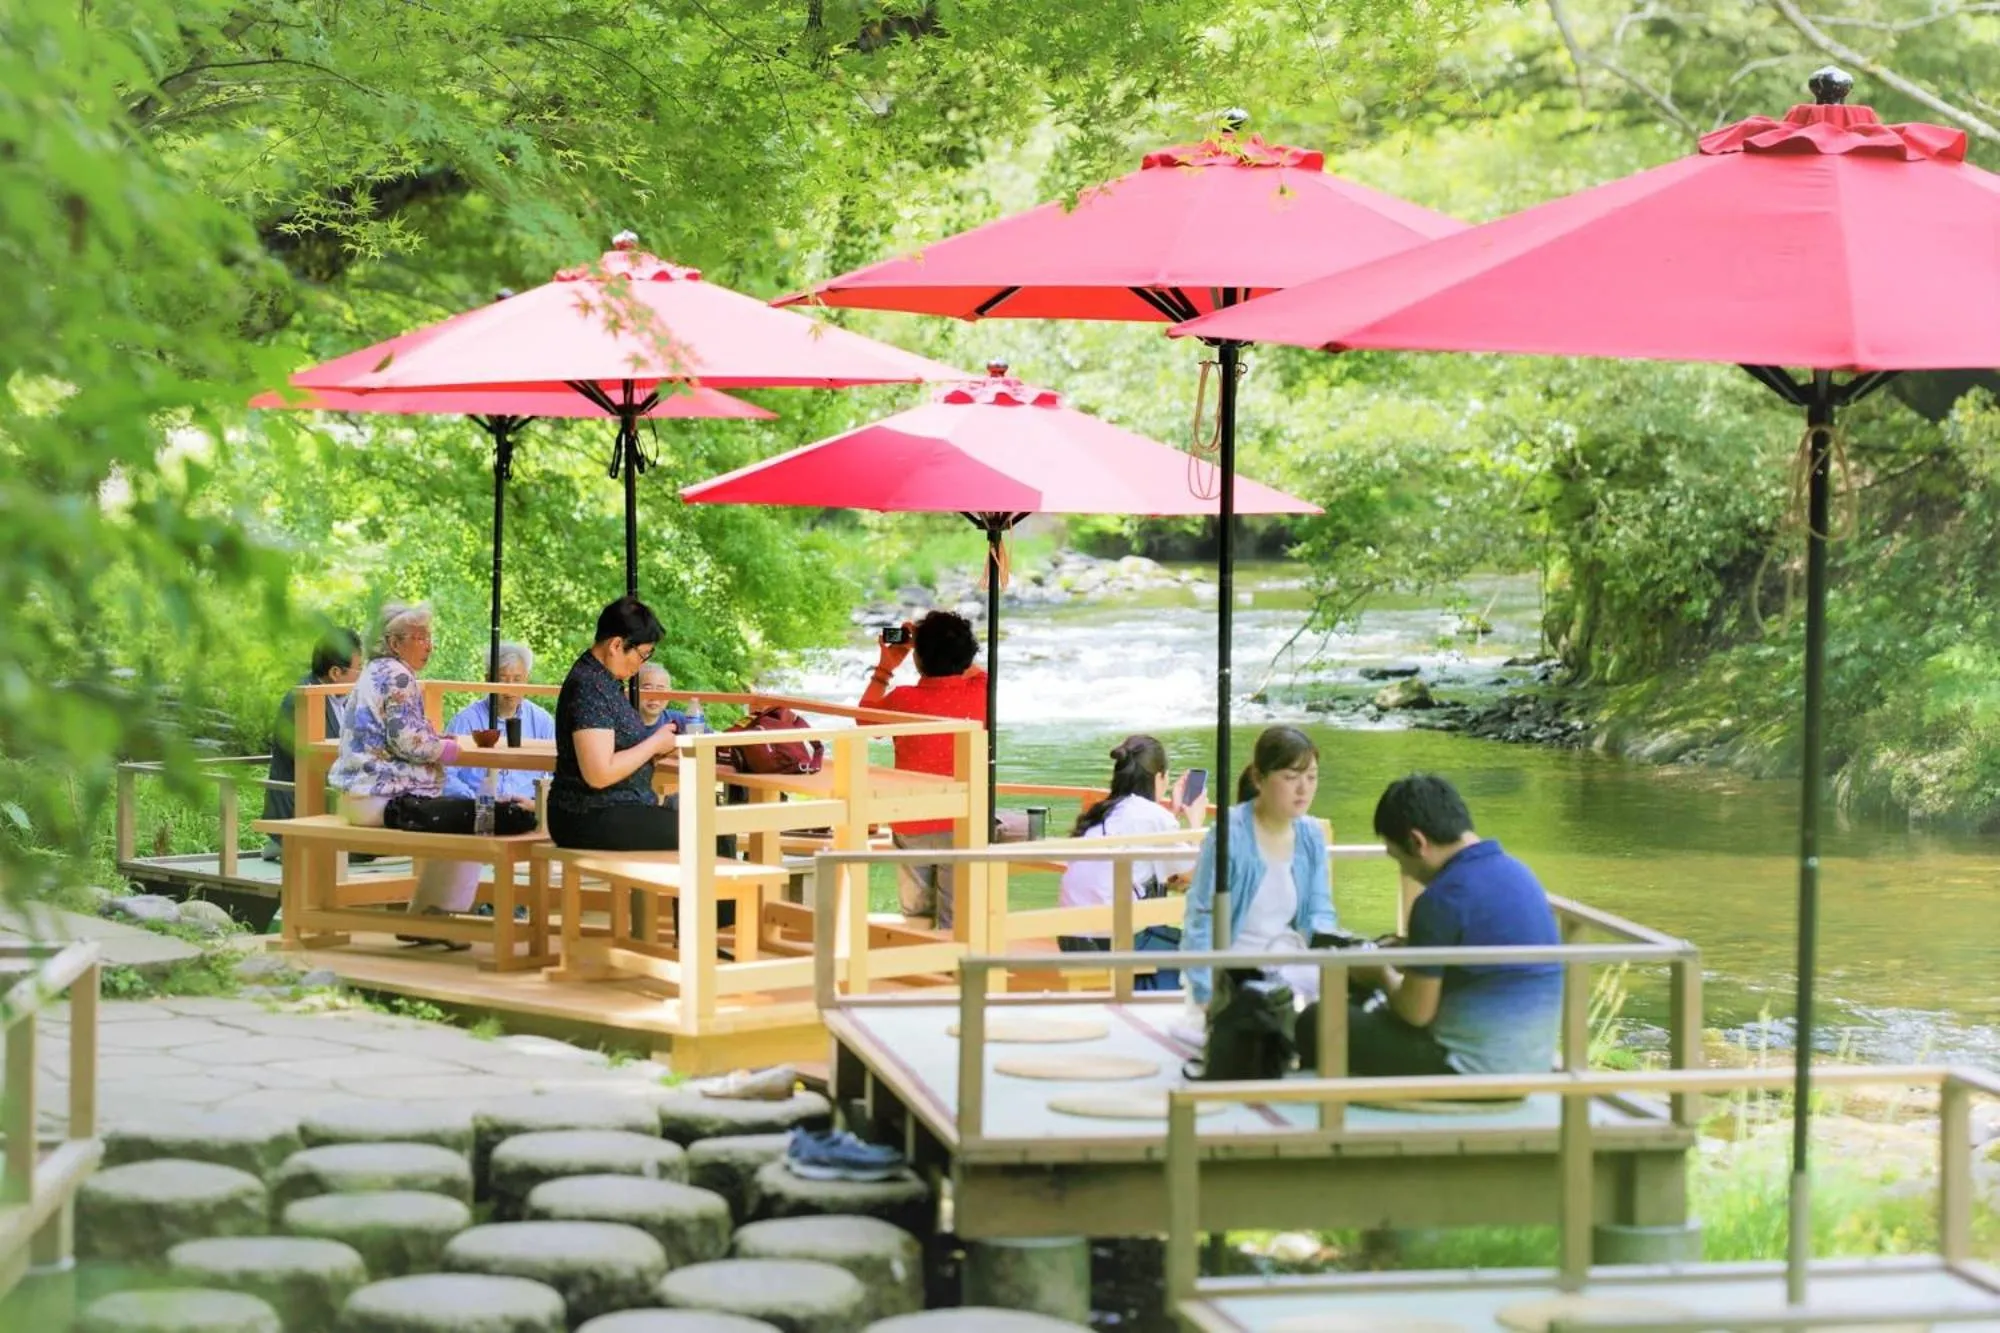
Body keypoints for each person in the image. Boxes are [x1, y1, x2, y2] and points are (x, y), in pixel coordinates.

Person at [1305, 773, 1562, 1077]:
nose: (1406, 872)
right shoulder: (1519, 873)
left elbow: (1416, 1013)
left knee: (1314, 1020)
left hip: (1465, 1069)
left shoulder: (1440, 900)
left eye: (1399, 859)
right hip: (1531, 1063)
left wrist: (1380, 974)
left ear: (1417, 842)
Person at [325, 601, 480, 947]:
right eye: (421, 637)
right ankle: (434, 916)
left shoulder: (373, 672)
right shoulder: (398, 676)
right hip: (379, 796)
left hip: (356, 795)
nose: (429, 645)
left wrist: (436, 740)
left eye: (429, 637)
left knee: (455, 814)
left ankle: (427, 915)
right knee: (471, 817)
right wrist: (449, 750)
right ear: (395, 643)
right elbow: (408, 741)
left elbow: (394, 734)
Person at [1180, 725, 1335, 1010]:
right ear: (1259, 778)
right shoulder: (1230, 833)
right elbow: (1201, 915)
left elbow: (1319, 911)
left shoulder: (1311, 835)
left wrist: (1331, 963)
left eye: (1311, 777)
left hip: (1290, 963)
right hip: (1237, 966)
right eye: (1291, 777)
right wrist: (1206, 993)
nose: (1304, 789)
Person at [858, 610, 988, 931]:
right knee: (955, 921)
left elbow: (865, 722)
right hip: (963, 821)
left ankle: (920, 967)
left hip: (911, 821)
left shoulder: (903, 699)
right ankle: (954, 973)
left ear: (917, 659)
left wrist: (886, 666)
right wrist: (936, 646)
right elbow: (972, 667)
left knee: (916, 916)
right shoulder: (982, 691)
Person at [1057, 735, 1207, 989]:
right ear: (1159, 778)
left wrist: (1171, 813)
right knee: (1201, 946)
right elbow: (1196, 875)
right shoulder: (1152, 817)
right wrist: (1194, 820)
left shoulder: (1104, 810)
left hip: (1073, 938)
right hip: (1114, 941)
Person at [547, 596, 685, 850]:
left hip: (614, 807)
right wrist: (654, 743)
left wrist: (658, 747)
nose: (641, 663)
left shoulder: (604, 681)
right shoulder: (590, 687)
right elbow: (599, 774)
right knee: (710, 833)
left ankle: (682, 891)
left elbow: (619, 749)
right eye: (642, 654)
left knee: (710, 823)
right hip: (590, 814)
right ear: (616, 645)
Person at [260, 626, 362, 862]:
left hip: (331, 796)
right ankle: (283, 842)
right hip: (300, 806)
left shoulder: (343, 698)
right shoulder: (303, 700)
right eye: (360, 668)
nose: (362, 676)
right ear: (336, 672)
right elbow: (321, 763)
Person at [443, 640, 555, 802]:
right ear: (488, 679)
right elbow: (445, 775)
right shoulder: (465, 720)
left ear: (527, 680)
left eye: (517, 679)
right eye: (503, 679)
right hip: (476, 809)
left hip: (528, 809)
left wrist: (537, 804)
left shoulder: (542, 721)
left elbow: (559, 775)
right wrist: (478, 800)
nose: (510, 688)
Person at [635, 661, 692, 737]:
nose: (654, 697)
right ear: (635, 691)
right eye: (647, 689)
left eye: (660, 691)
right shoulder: (625, 722)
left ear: (669, 693)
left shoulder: (678, 720)